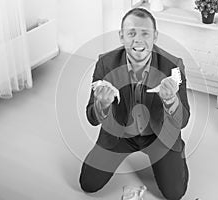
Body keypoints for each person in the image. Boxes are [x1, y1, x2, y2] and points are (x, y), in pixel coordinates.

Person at [80, 7, 190, 200]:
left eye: (145, 33)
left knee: (175, 194)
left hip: (159, 135)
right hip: (120, 134)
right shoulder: (105, 63)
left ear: (155, 36)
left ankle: (178, 151)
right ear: (121, 36)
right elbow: (91, 117)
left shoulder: (173, 66)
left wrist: (171, 101)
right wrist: (102, 105)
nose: (138, 40)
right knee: (88, 184)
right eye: (131, 33)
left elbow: (183, 120)